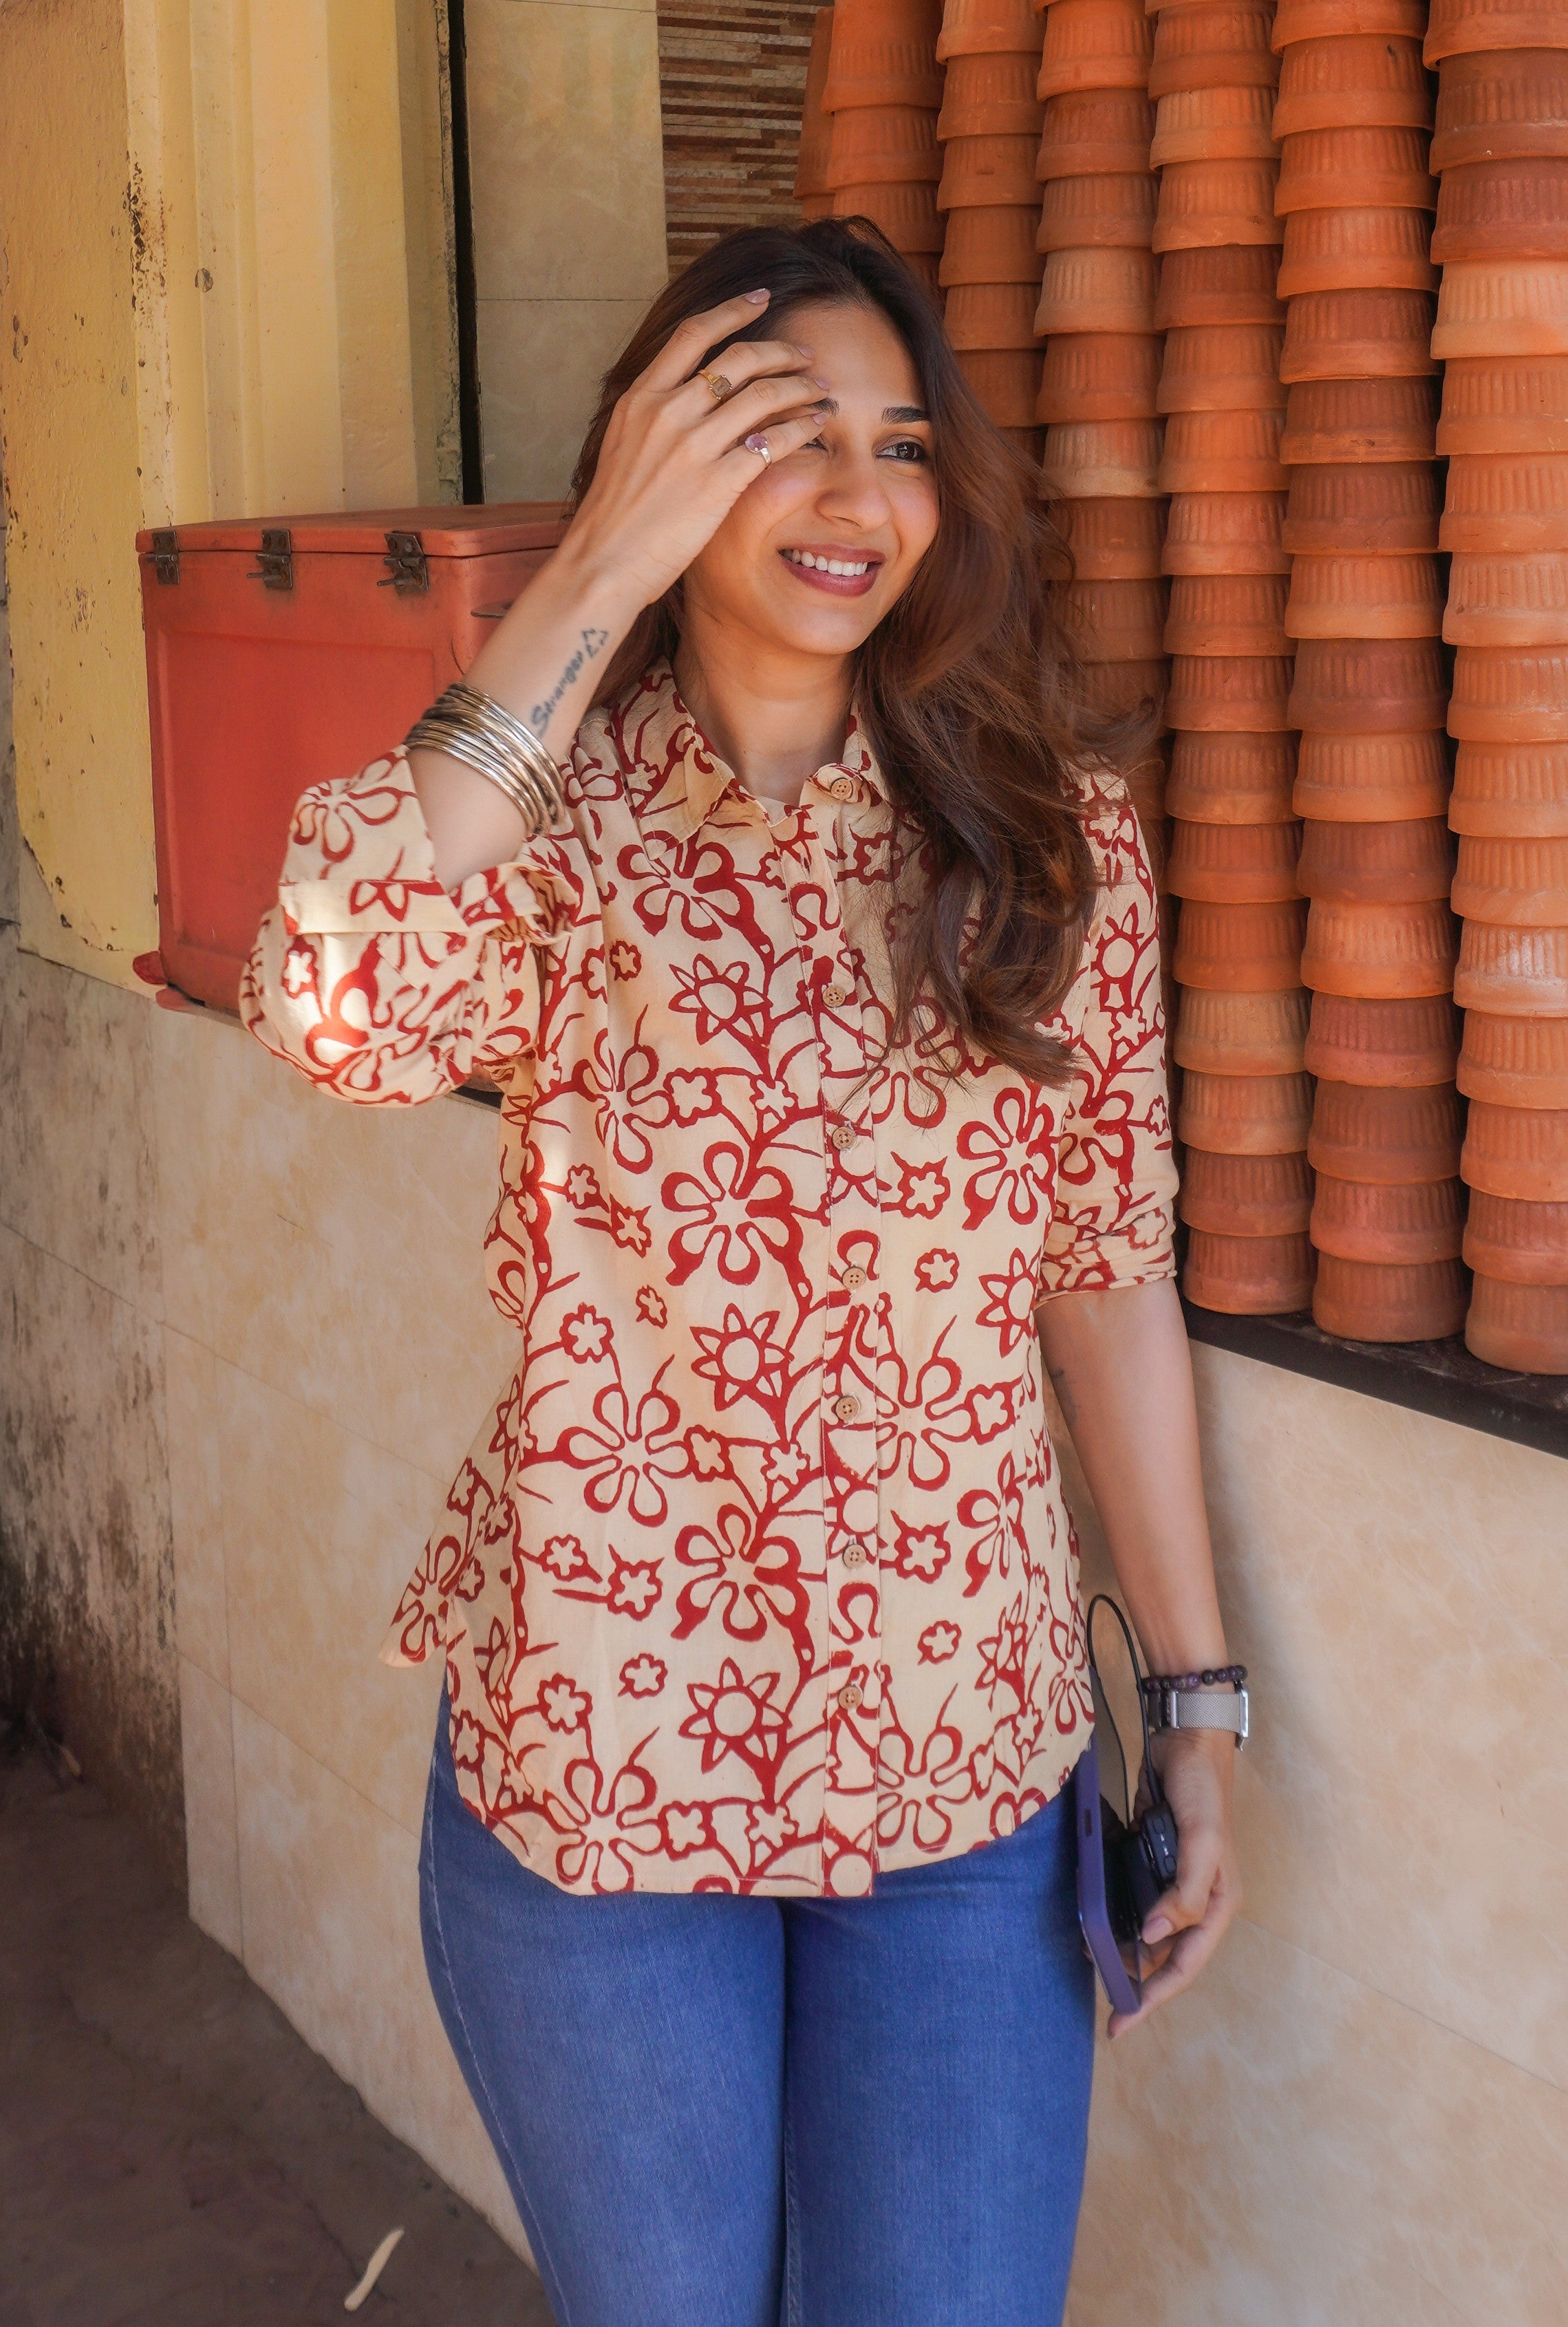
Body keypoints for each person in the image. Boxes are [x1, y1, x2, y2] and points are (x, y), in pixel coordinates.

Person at [244, 219, 1243, 2327]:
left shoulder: (1045, 843)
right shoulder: (549, 821)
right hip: (598, 1768)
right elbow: (330, 1003)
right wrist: (589, 573)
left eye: (901, 444)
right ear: (658, 460)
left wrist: (1203, 1698)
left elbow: (1106, 1281)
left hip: (964, 1768)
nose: (861, 499)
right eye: (777, 437)